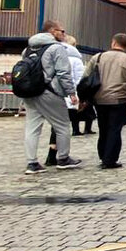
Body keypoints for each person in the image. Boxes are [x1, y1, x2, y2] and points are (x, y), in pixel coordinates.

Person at [20, 20, 82, 173]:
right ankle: (63, 158)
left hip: (30, 92)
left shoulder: (27, 49)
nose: (64, 34)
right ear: (53, 31)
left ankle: (32, 163)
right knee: (62, 125)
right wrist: (71, 92)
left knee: (32, 128)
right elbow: (63, 73)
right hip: (50, 92)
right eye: (62, 31)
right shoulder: (56, 48)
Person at [90, 33, 126, 169]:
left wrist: (85, 98)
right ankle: (110, 159)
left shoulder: (97, 58)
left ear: (113, 43)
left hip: (100, 99)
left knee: (103, 128)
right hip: (120, 99)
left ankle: (103, 155)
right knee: (115, 129)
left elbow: (86, 78)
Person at [44, 32, 87, 165]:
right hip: (69, 96)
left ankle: (51, 155)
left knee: (55, 127)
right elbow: (80, 80)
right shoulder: (76, 60)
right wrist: (79, 96)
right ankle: (63, 157)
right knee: (63, 127)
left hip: (52, 93)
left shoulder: (51, 56)